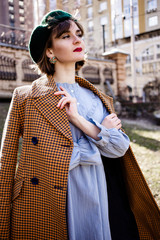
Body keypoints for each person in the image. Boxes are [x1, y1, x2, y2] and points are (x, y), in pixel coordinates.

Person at [0, 10, 160, 240]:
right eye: (65, 36)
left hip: (97, 193)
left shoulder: (99, 97)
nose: (77, 40)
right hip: (46, 198)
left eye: (79, 34)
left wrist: (78, 120)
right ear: (49, 50)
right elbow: (6, 165)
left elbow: (118, 149)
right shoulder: (25, 97)